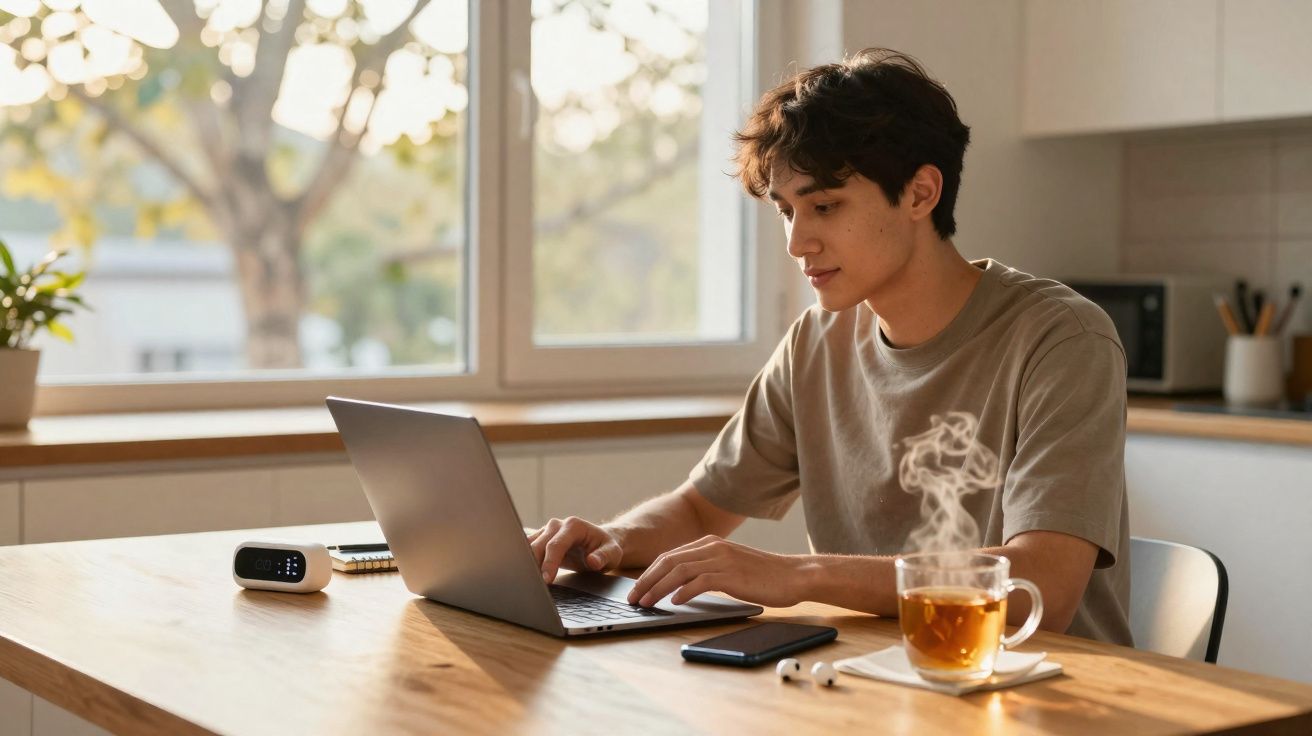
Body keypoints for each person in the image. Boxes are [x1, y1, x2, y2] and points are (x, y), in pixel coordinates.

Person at [528, 48, 1131, 645]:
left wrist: (800, 574)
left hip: (1050, 687)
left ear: (921, 194)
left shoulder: (1063, 339)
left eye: (824, 206)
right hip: (878, 680)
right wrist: (611, 540)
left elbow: (1043, 587)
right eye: (786, 211)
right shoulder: (815, 343)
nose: (796, 242)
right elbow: (698, 510)